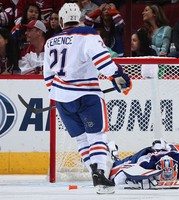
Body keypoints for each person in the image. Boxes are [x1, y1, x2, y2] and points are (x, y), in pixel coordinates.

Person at [43, 3, 132, 194]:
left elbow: (48, 76)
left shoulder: (50, 41)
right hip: (87, 96)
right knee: (96, 136)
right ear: (80, 19)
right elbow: (102, 61)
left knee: (81, 140)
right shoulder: (87, 34)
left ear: (60, 21)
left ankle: (93, 171)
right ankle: (99, 173)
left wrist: (58, 94)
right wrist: (119, 77)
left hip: (62, 99)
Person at [109, 139, 179, 186]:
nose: (168, 177)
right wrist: (138, 180)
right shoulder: (147, 164)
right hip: (146, 154)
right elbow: (118, 178)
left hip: (165, 150)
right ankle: (114, 155)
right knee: (110, 173)